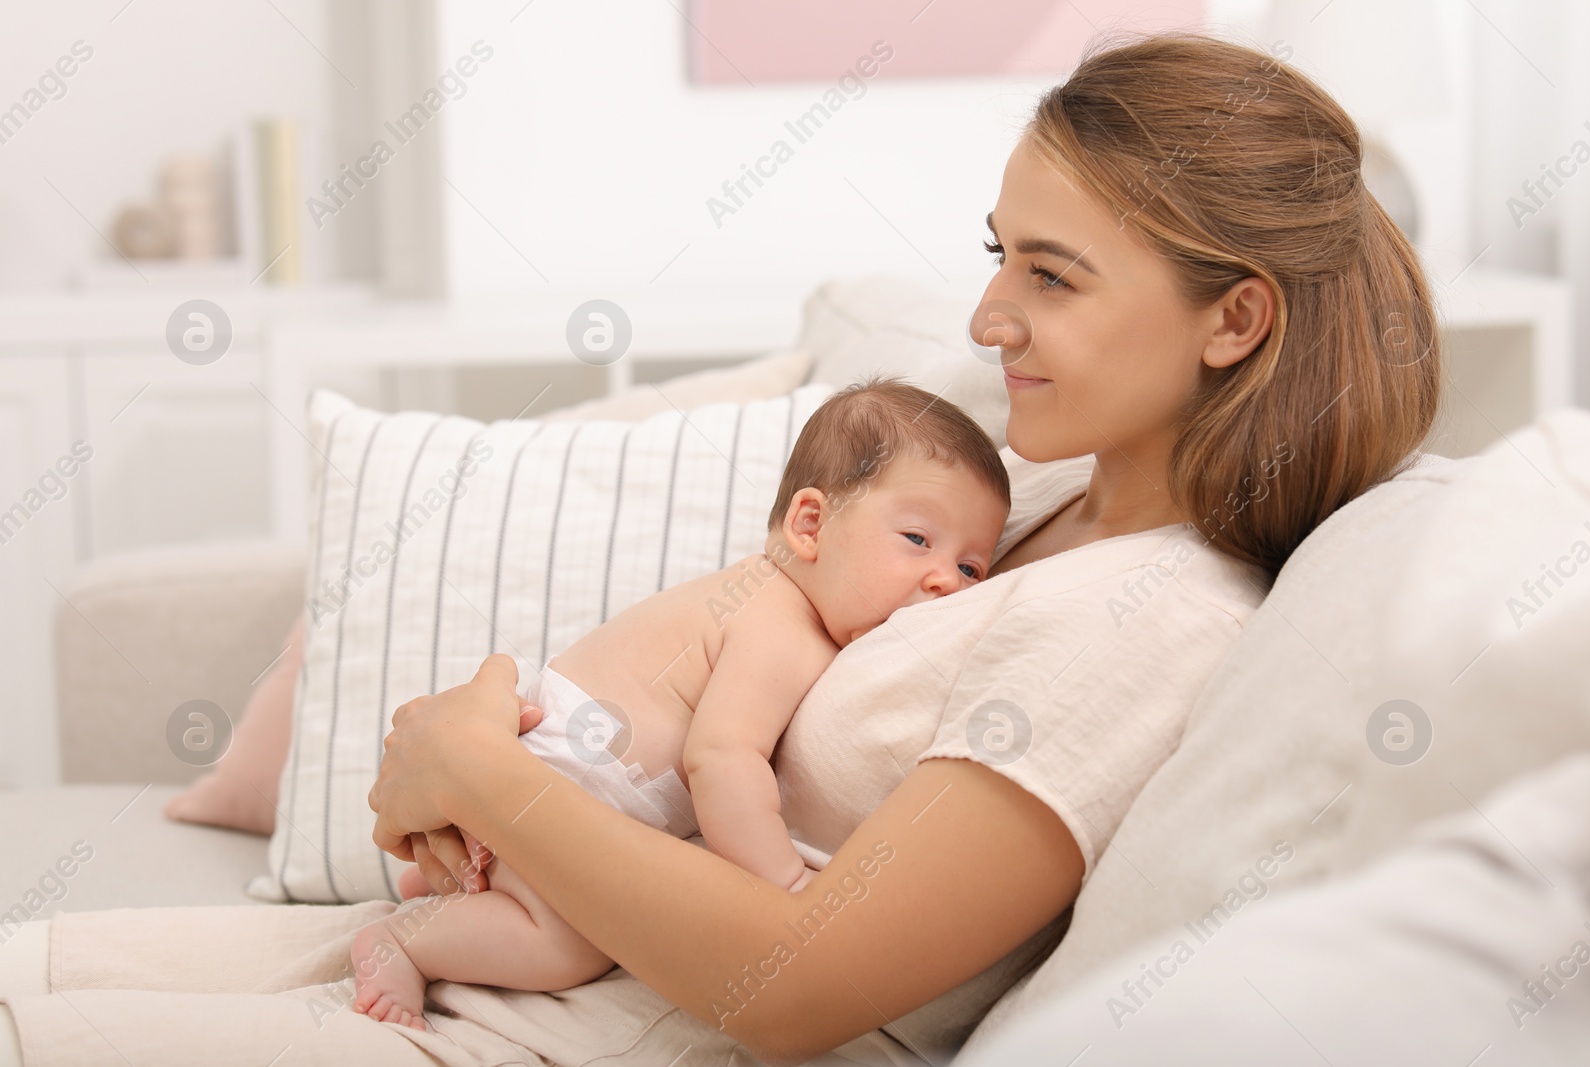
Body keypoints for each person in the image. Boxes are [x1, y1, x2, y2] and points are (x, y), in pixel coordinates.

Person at [0, 33, 1438, 1066]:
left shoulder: (1152, 616)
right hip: (531, 964)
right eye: (998, 252)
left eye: (1050, 275)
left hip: (599, 1029)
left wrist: (480, 766)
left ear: (1234, 319)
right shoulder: (1040, 517)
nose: (991, 319)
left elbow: (800, 984)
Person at [350, 380, 1012, 1030]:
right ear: (810, 524)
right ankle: (406, 941)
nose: (945, 581)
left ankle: (462, 896)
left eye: (973, 568)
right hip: (569, 776)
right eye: (918, 540)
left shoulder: (767, 599)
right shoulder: (783, 624)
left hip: (556, 755)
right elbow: (721, 758)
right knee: (570, 944)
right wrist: (783, 885)